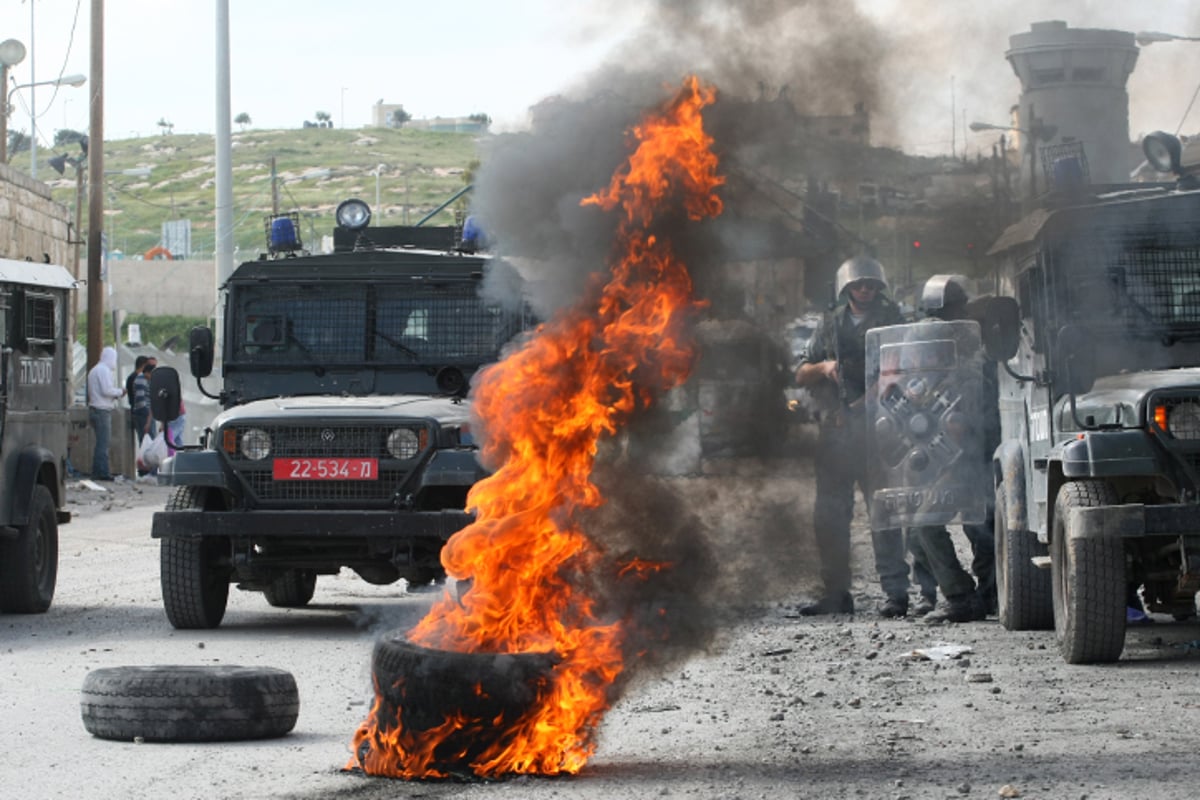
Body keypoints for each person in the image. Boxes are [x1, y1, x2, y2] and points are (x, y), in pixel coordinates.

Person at [795, 255, 911, 617]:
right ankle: (836, 594)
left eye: (871, 284)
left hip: (879, 430)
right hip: (835, 431)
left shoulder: (891, 320)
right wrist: (824, 367)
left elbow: (902, 368)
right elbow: (801, 373)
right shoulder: (829, 324)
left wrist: (869, 399)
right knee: (829, 515)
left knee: (884, 513)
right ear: (846, 288)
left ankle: (896, 593)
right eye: (858, 284)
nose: (865, 290)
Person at [906, 275, 997, 624]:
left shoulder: (970, 370)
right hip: (946, 460)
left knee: (956, 526)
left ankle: (966, 597)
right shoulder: (932, 374)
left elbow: (968, 425)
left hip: (973, 462)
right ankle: (974, 595)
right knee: (919, 531)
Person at [87, 346, 126, 481]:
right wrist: (121, 392)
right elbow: (107, 390)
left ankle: (97, 471)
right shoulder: (103, 370)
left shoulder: (94, 370)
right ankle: (102, 473)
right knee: (103, 444)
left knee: (100, 443)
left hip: (94, 409)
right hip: (102, 410)